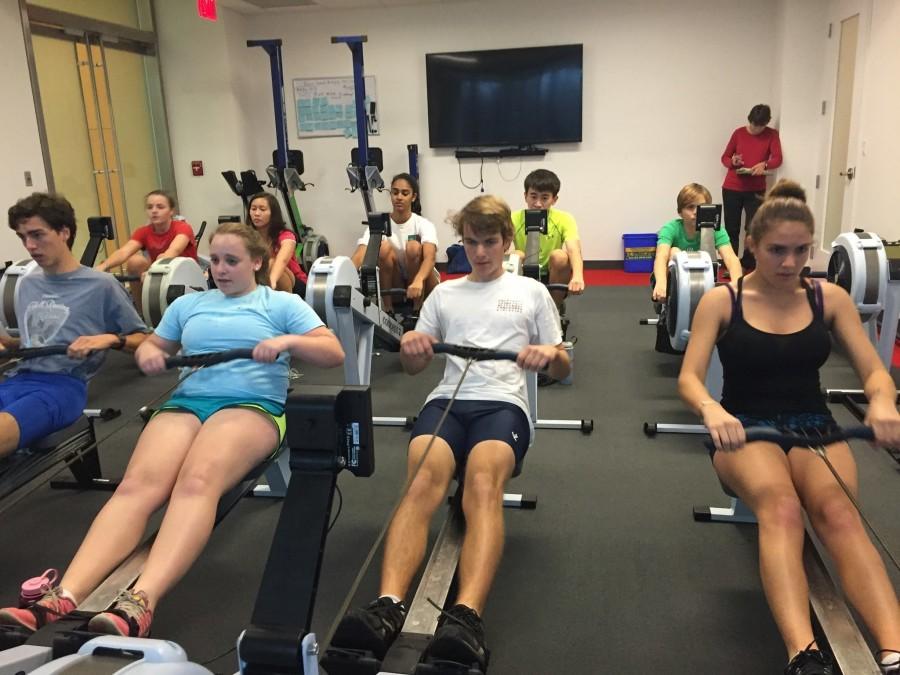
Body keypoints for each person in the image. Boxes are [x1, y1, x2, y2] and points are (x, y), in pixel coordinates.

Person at [0, 222, 344, 638]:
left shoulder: (280, 303)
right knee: (136, 487)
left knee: (197, 482)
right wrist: (149, 355)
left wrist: (288, 342)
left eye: (231, 261)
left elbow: (331, 352)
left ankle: (142, 600)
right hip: (187, 402)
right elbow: (154, 345)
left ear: (256, 261)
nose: (220, 268)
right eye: (214, 260)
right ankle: (66, 594)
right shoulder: (189, 306)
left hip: (250, 406)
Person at [332, 195, 570, 669]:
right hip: (447, 403)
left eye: (490, 242)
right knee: (420, 480)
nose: (480, 252)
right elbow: (415, 366)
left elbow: (564, 365)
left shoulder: (530, 292)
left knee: (481, 486)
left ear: (506, 242)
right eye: (472, 242)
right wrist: (414, 345)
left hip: (503, 405)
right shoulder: (444, 294)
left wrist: (549, 357)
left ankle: (466, 617)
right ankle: (388, 606)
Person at [678, 180, 900, 675]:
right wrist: (713, 412)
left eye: (801, 250)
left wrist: (883, 402)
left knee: (839, 514)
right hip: (747, 428)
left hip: (812, 424)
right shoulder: (722, 300)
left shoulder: (830, 299)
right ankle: (804, 655)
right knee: (781, 510)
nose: (789, 262)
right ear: (751, 244)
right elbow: (690, 380)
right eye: (777, 250)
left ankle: (895, 650)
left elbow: (874, 372)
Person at [0, 192, 147, 459]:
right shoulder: (26, 284)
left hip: (61, 388)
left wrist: (111, 339)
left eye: (37, 235)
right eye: (23, 238)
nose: (30, 246)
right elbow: (34, 342)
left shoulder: (101, 285)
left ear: (64, 232)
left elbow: (146, 341)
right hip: (15, 381)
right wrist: (8, 344)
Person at [96, 190, 198, 313]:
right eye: (150, 207)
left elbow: (173, 251)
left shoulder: (182, 227)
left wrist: (151, 271)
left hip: (186, 276)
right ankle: (143, 314)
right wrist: (103, 266)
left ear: (171, 211)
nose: (154, 210)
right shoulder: (143, 232)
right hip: (161, 275)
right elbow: (124, 252)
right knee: (135, 262)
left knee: (161, 257)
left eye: (160, 207)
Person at [350, 173, 439, 311]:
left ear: (413, 197)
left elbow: (430, 257)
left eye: (405, 193)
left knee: (413, 247)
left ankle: (417, 308)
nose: (399, 197)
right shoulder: (379, 224)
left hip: (422, 284)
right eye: (395, 192)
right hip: (395, 285)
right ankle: (388, 309)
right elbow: (361, 254)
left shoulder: (423, 224)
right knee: (383, 248)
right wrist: (341, 276)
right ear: (391, 195)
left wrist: (418, 281)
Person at [651, 183, 743, 302]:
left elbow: (731, 258)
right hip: (674, 280)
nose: (695, 212)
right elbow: (661, 256)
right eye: (690, 207)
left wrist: (738, 287)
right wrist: (661, 283)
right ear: (680, 212)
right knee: (674, 251)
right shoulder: (671, 228)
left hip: (703, 279)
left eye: (700, 207)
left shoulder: (716, 229)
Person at [720, 104, 783, 270]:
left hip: (755, 189)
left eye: (759, 126)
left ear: (766, 123)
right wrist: (732, 162)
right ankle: (730, 262)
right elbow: (725, 157)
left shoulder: (772, 135)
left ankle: (748, 263)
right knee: (731, 227)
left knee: (753, 228)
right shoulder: (739, 133)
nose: (755, 129)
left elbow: (777, 159)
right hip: (732, 187)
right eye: (753, 124)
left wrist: (765, 164)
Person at [511, 169, 584, 311]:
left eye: (544, 198)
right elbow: (501, 247)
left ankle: (553, 310)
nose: (538, 204)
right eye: (533, 196)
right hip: (525, 272)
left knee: (559, 256)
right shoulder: (513, 218)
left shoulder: (564, 218)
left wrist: (577, 276)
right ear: (525, 196)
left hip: (552, 273)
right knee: (516, 255)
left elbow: (573, 248)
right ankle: (518, 309)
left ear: (554, 199)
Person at [247, 192, 307, 294]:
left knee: (269, 263)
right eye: (253, 209)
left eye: (262, 209)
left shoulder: (286, 235)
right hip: (259, 283)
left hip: (294, 284)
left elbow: (282, 260)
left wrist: (271, 283)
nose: (256, 213)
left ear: (273, 213)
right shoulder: (247, 236)